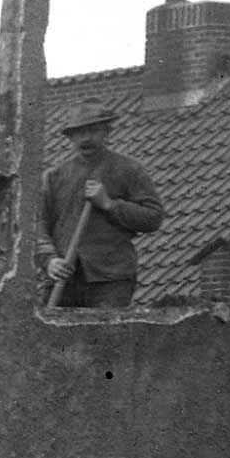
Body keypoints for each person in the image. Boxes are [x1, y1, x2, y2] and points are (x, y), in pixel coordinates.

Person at [43, 109, 165, 309]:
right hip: (63, 279)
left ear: (106, 132)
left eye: (92, 131)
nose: (86, 139)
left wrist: (109, 204)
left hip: (110, 279)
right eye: (79, 133)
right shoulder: (53, 177)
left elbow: (153, 218)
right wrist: (49, 261)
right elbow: (37, 226)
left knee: (103, 338)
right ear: (70, 138)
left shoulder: (129, 170)